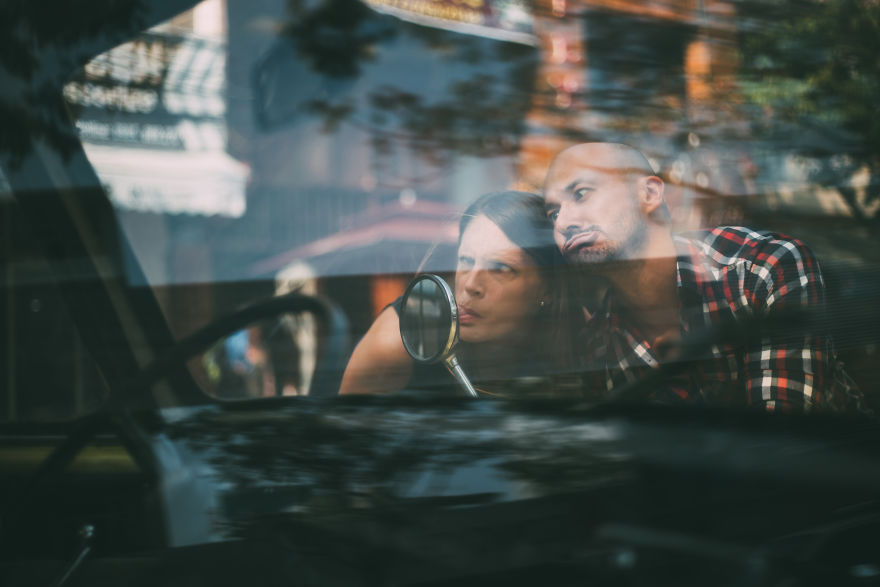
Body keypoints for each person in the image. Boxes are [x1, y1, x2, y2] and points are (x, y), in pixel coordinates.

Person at [542, 142, 865, 413]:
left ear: (649, 194)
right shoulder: (596, 348)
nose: (564, 222)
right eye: (553, 213)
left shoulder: (759, 268)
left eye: (581, 193)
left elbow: (782, 440)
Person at [339, 190, 579, 396]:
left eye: (500, 269)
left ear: (547, 289)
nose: (471, 285)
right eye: (466, 260)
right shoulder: (403, 337)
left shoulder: (577, 348)